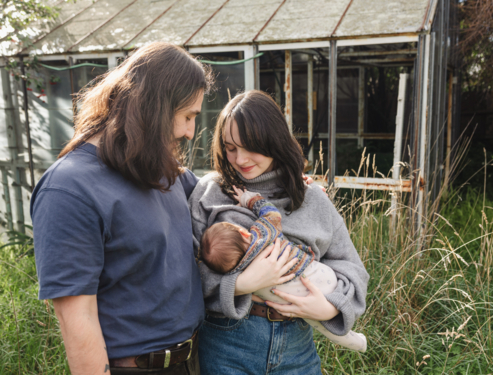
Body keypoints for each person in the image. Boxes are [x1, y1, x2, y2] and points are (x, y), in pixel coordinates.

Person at [31, 42, 213, 375]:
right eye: (187, 116)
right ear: (154, 107)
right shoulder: (70, 188)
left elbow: (217, 197)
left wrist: (287, 184)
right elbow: (77, 320)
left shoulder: (161, 169)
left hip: (193, 361)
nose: (190, 132)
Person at [189, 90, 370, 374]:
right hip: (227, 345)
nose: (240, 159)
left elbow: (352, 268)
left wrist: (329, 309)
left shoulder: (313, 198)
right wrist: (240, 284)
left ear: (274, 140)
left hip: (297, 350)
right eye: (230, 147)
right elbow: (185, 270)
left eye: (251, 146)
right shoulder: (209, 193)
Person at [200, 187, 367, 352]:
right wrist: (249, 200)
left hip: (290, 303)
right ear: (243, 233)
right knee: (319, 316)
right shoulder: (263, 234)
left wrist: (238, 285)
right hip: (317, 276)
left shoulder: (240, 270)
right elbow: (271, 213)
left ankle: (357, 343)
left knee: (318, 324)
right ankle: (354, 339)